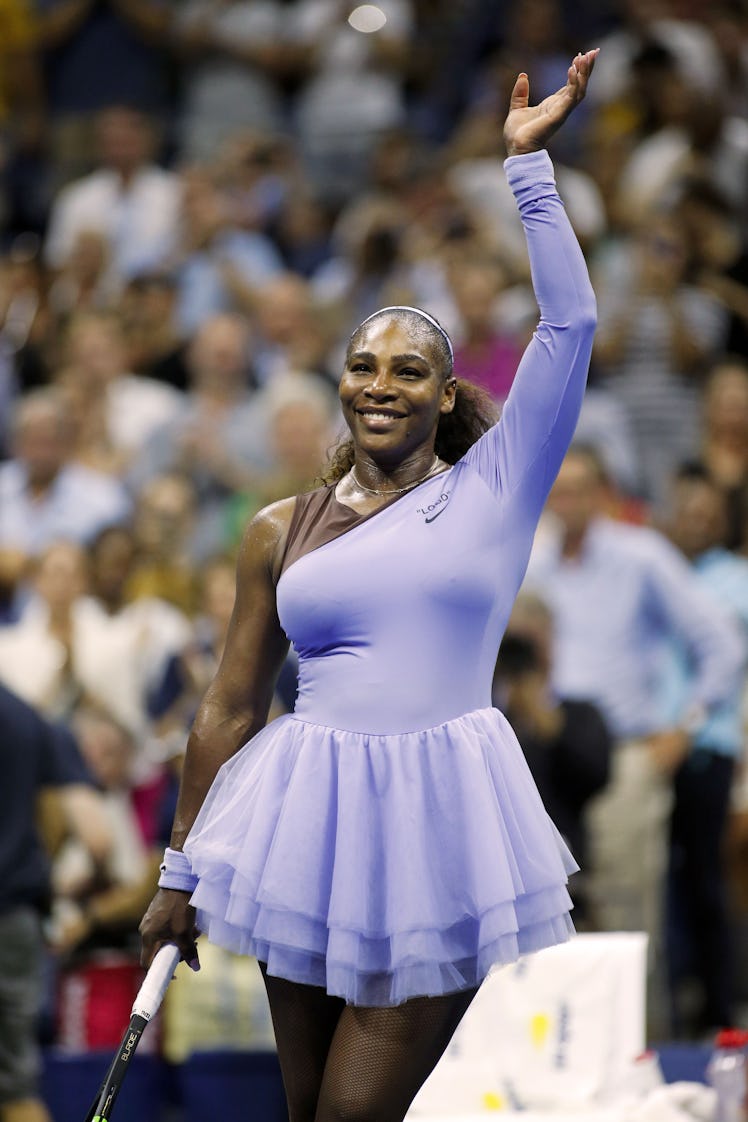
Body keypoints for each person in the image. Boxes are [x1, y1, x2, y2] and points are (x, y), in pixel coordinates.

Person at [140, 52, 599, 1122]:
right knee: (305, 1113)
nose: (378, 384)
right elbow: (228, 706)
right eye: (362, 366)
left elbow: (569, 328)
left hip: (443, 822)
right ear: (338, 383)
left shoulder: (497, 481)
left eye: (406, 370)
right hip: (299, 819)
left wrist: (526, 171)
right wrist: (176, 871)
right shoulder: (274, 530)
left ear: (446, 396)